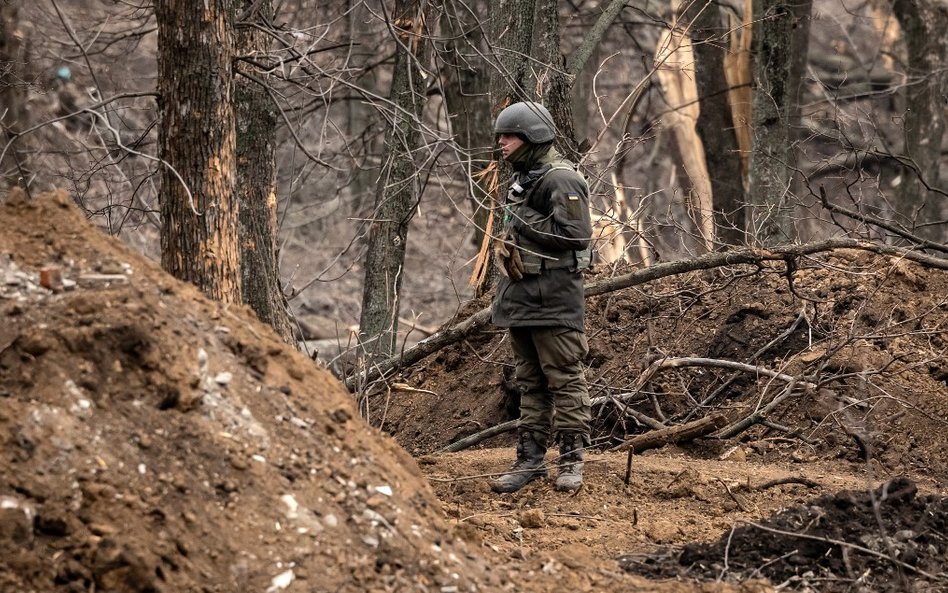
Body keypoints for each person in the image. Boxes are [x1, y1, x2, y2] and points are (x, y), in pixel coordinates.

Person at [489, 101, 593, 493]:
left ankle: (570, 460)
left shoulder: (560, 179)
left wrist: (521, 217)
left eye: (509, 135)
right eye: (501, 135)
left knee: (564, 379)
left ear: (532, 137)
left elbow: (575, 236)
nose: (501, 142)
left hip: (554, 299)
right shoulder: (523, 179)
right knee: (529, 383)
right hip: (522, 299)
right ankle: (530, 461)